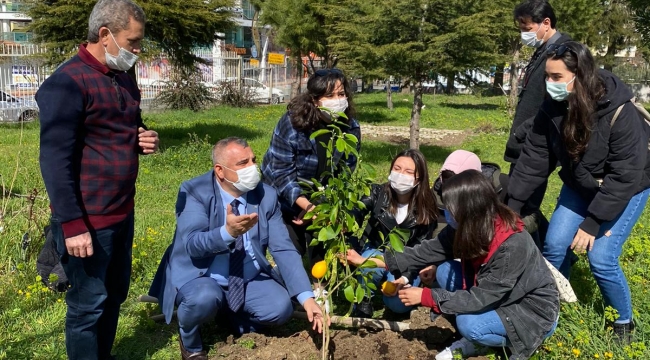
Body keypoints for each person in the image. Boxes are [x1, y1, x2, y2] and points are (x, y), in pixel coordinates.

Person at [36, 1, 159, 359]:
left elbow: (121, 126)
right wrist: (73, 225)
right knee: (87, 305)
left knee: (115, 294)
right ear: (105, 35)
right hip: (87, 219)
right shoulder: (66, 83)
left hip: (122, 211)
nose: (137, 50)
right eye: (132, 42)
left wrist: (142, 136)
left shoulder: (123, 74)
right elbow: (55, 161)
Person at [507, 41, 650, 342]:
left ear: (580, 76)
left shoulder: (620, 112)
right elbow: (535, 157)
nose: (549, 84)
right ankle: (554, 304)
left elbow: (625, 175)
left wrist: (593, 222)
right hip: (580, 183)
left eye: (556, 77)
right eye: (547, 76)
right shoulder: (553, 106)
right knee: (556, 245)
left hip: (627, 186)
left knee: (601, 257)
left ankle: (624, 322)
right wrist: (513, 205)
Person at [149, 138, 325, 360]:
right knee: (203, 298)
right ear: (220, 171)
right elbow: (193, 244)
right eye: (243, 163)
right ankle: (191, 342)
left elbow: (284, 249)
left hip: (246, 276)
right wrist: (227, 233)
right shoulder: (195, 190)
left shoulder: (266, 195)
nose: (252, 167)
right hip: (202, 275)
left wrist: (306, 297)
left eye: (253, 160)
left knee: (280, 309)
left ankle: (227, 314)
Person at [386, 170, 559, 360]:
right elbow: (430, 250)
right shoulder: (472, 225)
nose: (447, 216)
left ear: (468, 209)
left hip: (530, 310)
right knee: (444, 271)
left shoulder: (511, 245)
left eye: (451, 211)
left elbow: (480, 298)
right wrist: (384, 259)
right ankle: (489, 331)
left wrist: (426, 296)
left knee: (468, 324)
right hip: (500, 295)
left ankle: (499, 341)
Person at [261, 68, 361, 283]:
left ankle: (320, 285)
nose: (338, 100)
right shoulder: (293, 123)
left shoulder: (349, 127)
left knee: (322, 246)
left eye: (341, 94)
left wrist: (319, 207)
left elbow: (346, 171)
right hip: (282, 194)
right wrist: (304, 206)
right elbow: (281, 175)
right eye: (330, 95)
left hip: (319, 197)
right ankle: (283, 276)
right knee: (290, 251)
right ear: (315, 100)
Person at [343, 149, 438, 317]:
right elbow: (354, 215)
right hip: (377, 250)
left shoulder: (427, 207)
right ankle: (363, 299)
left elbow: (421, 251)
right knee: (369, 267)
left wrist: (405, 278)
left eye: (409, 172)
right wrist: (347, 236)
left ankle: (394, 299)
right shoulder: (377, 193)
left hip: (407, 260)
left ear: (418, 179)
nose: (401, 175)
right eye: (397, 168)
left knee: (398, 304)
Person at [503, 0, 571, 226]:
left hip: (538, 143)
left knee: (524, 205)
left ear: (546, 23)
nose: (523, 33)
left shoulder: (563, 52)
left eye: (527, 28)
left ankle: (531, 252)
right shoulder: (545, 49)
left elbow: (560, 103)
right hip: (526, 139)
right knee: (517, 200)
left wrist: (527, 130)